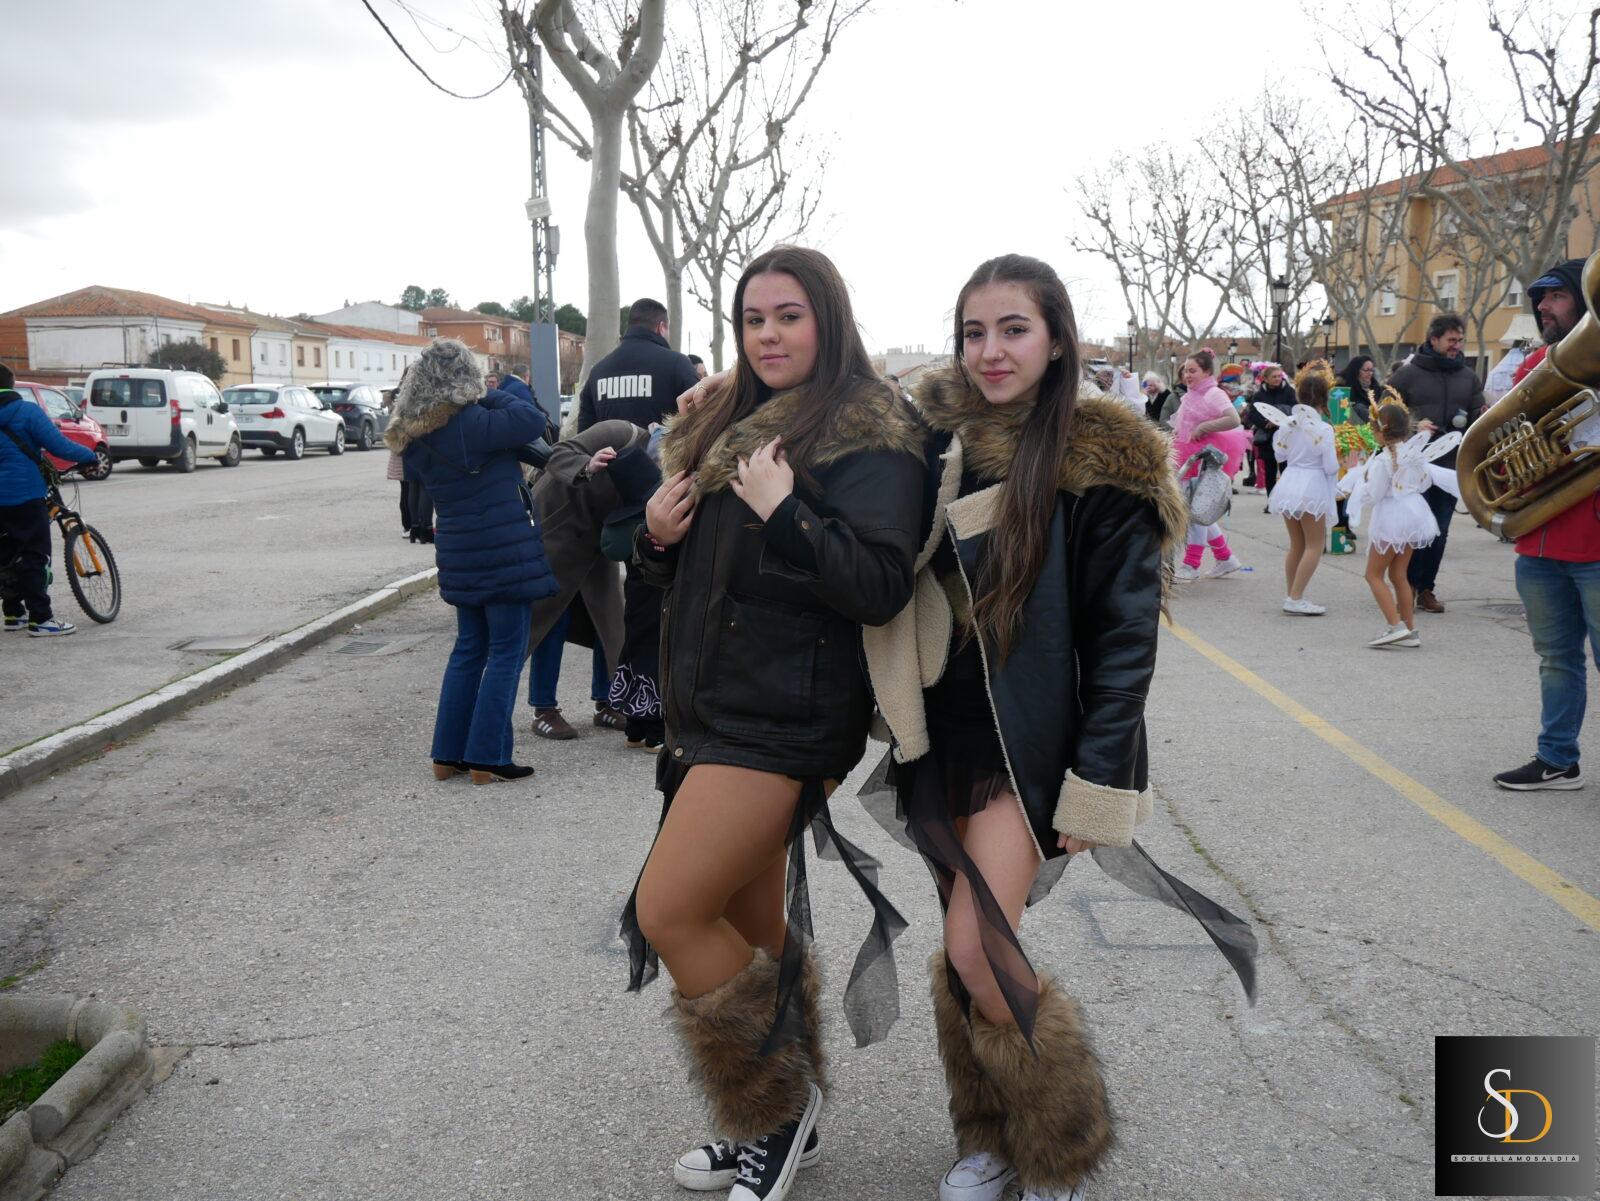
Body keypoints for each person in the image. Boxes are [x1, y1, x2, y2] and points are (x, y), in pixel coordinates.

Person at [859, 255, 1256, 1201]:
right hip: (941, 731)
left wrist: (1097, 780)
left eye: (1013, 329)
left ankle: (1061, 1147)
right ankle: (990, 1132)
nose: (990, 351)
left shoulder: (1102, 459)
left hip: (1031, 743)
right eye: (974, 332)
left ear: (1057, 339)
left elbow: (1125, 641)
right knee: (966, 945)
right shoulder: (933, 443)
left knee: (977, 945)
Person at [621, 246, 925, 1201]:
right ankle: (790, 1108)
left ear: (828, 319)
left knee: (670, 910)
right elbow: (701, 577)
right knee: (750, 925)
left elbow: (880, 584)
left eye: (789, 315)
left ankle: (774, 1114)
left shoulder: (870, 432)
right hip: (713, 713)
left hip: (789, 717)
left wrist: (788, 510)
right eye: (753, 319)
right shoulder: (731, 422)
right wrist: (656, 540)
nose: (769, 334)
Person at [385, 339, 557, 784]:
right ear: (467, 379)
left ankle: (447, 754)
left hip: (459, 550)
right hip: (503, 551)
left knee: (468, 649)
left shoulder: (416, 436)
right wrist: (486, 393)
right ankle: (487, 756)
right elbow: (532, 418)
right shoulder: (476, 421)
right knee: (506, 653)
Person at [1495, 256, 1597, 790]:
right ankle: (1558, 758)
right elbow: (1503, 456)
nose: (1542, 307)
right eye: (1540, 298)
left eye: (1556, 296)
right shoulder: (1533, 366)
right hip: (1539, 544)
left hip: (1596, 544)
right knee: (1556, 660)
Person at [1386, 313, 1485, 613]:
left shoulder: (1468, 377)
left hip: (1449, 466)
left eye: (1460, 340)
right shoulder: (1407, 374)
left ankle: (1426, 588)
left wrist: (1479, 420)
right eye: (1451, 340)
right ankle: (1407, 585)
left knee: (1439, 530)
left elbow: (1478, 419)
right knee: (1413, 529)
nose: (1457, 345)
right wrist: (1413, 425)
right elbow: (1383, 414)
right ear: (1434, 340)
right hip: (1413, 466)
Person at [0, 363, 97, 636]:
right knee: (34, 553)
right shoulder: (26, 411)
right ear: (12, 383)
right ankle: (41, 618)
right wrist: (90, 456)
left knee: (6, 553)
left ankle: (13, 613)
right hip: (24, 494)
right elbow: (58, 445)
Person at [1347, 403, 1451, 649]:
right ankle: (1410, 630)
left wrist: (1357, 479)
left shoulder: (1383, 460)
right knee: (1398, 574)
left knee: (1373, 575)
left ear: (1380, 431)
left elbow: (1373, 495)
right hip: (1413, 515)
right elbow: (1424, 483)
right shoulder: (1414, 454)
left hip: (1392, 518)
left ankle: (1396, 626)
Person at [1266, 362, 1340, 615]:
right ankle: (1295, 598)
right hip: (1312, 485)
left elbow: (1279, 456)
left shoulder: (1288, 424)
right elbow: (1330, 466)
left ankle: (1292, 595)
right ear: (1324, 398)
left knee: (1297, 544)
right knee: (1314, 545)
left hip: (1290, 482)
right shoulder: (1323, 428)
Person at [1171, 347, 1250, 581]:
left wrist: (1205, 427)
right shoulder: (1192, 393)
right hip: (1189, 455)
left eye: (1192, 370)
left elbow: (1233, 419)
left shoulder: (1214, 393)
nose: (1187, 375)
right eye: (1186, 371)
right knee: (1198, 511)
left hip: (1203, 458)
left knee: (1195, 512)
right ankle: (1225, 558)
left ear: (1206, 372)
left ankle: (1191, 565)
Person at [574, 297, 701, 435]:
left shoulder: (597, 372)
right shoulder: (677, 364)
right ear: (661, 327)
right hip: (663, 449)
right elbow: (702, 417)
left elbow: (584, 436)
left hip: (608, 449)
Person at [1244, 362, 1294, 498]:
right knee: (1269, 472)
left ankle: (1286, 500)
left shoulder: (1289, 392)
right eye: (1274, 376)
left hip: (1286, 437)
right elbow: (1253, 415)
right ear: (1265, 379)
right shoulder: (1259, 395)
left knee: (1286, 470)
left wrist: (1279, 421)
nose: (1278, 379)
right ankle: (1271, 501)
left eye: (1279, 376)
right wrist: (1266, 422)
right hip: (1267, 438)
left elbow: (1294, 410)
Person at [1339, 354, 1380, 422]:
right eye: (1366, 370)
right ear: (1356, 370)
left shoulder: (1375, 386)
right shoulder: (1345, 386)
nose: (1370, 373)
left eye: (1371, 370)